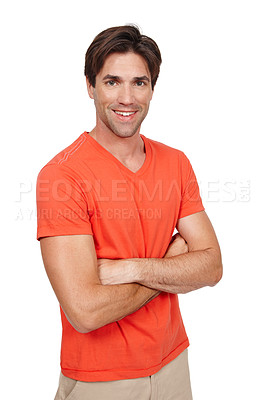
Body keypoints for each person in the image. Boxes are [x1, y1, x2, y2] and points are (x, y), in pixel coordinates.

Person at [36, 25, 222, 400]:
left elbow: (212, 267)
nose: (127, 97)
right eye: (112, 82)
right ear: (90, 86)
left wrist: (129, 268)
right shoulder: (62, 177)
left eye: (139, 83)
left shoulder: (176, 163)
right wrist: (168, 269)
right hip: (101, 379)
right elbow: (85, 312)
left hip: (173, 362)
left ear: (152, 89)